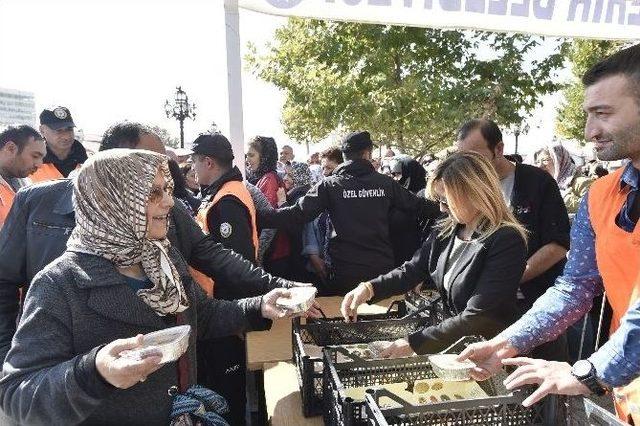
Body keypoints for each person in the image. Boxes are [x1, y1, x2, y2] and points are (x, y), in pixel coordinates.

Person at [0, 149, 302, 425]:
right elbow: (17, 395)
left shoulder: (163, 255)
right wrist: (95, 372)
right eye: (153, 193)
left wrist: (260, 305)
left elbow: (202, 316)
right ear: (111, 203)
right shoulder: (59, 283)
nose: (169, 202)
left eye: (168, 190)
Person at [0, 122, 297, 362]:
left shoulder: (165, 251)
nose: (168, 197)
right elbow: (26, 381)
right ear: (115, 166)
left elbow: (204, 297)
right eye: (149, 168)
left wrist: (270, 296)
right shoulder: (55, 277)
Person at [457, 44, 640, 425]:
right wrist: (504, 344)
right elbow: (574, 287)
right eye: (588, 115)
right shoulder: (600, 196)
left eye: (603, 114)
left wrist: (585, 371)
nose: (590, 131)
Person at [341, 152, 527, 356]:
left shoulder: (506, 239)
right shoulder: (446, 229)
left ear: (475, 194)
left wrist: (414, 343)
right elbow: (413, 269)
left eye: (446, 201)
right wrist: (369, 288)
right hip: (455, 346)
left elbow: (478, 316)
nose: (441, 207)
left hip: (488, 352)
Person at [260, 131, 440, 295]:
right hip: (380, 276)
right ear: (367, 154)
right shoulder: (385, 183)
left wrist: (256, 216)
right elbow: (420, 206)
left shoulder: (329, 186)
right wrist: (451, 206)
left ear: (344, 157)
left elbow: (297, 214)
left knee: (343, 323)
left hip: (343, 275)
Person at [456, 120, 570, 317]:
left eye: (475, 156)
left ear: (498, 149)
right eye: (463, 157)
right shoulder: (466, 187)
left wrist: (507, 280)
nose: (469, 165)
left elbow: (557, 245)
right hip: (482, 306)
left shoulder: (538, 182)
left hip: (536, 304)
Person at [246, 136, 290, 277]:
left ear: (264, 157)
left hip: (273, 254)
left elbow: (270, 221)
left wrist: (258, 258)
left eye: (251, 155)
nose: (247, 160)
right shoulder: (265, 177)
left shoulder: (269, 179)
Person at [0, 126, 46, 227]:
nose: (39, 165)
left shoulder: (27, 185)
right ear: (10, 148)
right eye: (35, 156)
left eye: (41, 158)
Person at [388, 155, 430, 265]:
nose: (395, 178)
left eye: (398, 174)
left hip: (417, 257)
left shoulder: (425, 196)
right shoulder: (395, 195)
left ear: (410, 172)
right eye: (393, 174)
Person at [30, 106, 87, 182]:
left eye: (69, 129)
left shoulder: (90, 162)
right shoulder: (29, 164)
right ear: (42, 130)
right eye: (58, 130)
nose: (66, 136)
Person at [534, 145, 594, 215]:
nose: (540, 166)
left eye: (545, 160)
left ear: (559, 160)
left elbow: (593, 208)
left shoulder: (582, 182)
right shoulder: (545, 185)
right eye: (537, 162)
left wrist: (563, 196)